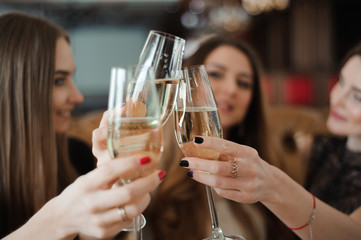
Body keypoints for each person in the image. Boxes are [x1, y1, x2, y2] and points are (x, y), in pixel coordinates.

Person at [92, 35, 295, 239]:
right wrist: (114, 183)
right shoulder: (153, 171)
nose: (232, 89)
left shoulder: (269, 168)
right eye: (215, 74)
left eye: (243, 83)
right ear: (183, 83)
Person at [0, 12, 165, 240]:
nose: (77, 97)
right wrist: (58, 222)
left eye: (71, 78)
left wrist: (117, 187)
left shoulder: (76, 155)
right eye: (59, 80)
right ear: (13, 85)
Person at [177, 41, 361, 239]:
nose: (336, 99)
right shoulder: (313, 148)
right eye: (340, 83)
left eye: (357, 97)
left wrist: (273, 185)